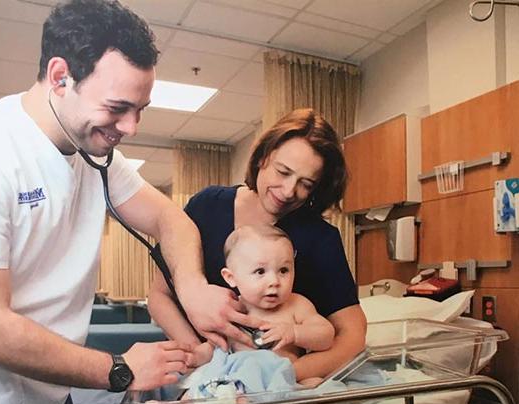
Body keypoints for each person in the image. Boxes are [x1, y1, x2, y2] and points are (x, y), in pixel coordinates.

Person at [0, 1, 257, 404]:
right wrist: (118, 369)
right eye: (117, 108)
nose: (131, 127)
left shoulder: (95, 153)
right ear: (59, 76)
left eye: (140, 110)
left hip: (53, 395)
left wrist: (191, 288)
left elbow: (169, 218)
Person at [149, 108, 367, 384]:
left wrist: (276, 378)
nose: (289, 191)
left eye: (306, 184)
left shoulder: (319, 238)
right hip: (203, 369)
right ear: (263, 156)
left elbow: (353, 335)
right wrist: (207, 362)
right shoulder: (207, 207)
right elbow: (159, 296)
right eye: (283, 171)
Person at [183, 224, 335, 399]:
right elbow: (216, 346)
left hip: (280, 385)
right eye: (260, 271)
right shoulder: (233, 309)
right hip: (233, 384)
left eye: (283, 270)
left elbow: (326, 336)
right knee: (199, 384)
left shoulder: (296, 305)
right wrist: (195, 356)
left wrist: (294, 332)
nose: (274, 281)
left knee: (317, 386)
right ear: (231, 278)